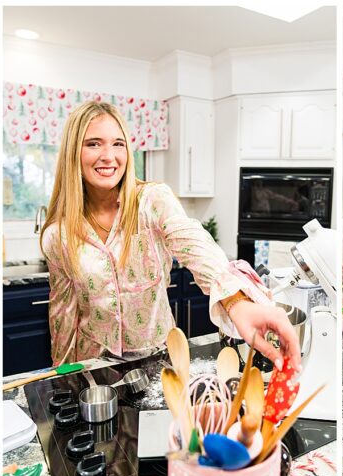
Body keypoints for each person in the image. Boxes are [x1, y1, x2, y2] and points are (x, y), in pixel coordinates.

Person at [40, 101, 301, 370]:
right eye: (93, 143)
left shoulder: (152, 200)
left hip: (158, 358)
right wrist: (61, 374)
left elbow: (192, 241)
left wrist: (237, 302)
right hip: (93, 366)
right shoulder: (57, 235)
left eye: (118, 144)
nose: (109, 155)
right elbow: (63, 314)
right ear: (73, 152)